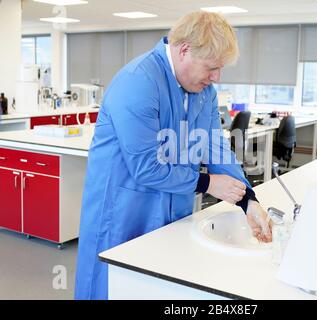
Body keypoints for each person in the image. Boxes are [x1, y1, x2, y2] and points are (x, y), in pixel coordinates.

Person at [74, 11, 272, 300]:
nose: (216, 77)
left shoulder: (203, 91)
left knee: (155, 289)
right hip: (123, 210)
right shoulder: (137, 82)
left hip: (171, 211)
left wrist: (247, 200)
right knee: (109, 288)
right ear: (184, 50)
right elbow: (145, 166)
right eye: (212, 67)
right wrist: (208, 184)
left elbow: (215, 146)